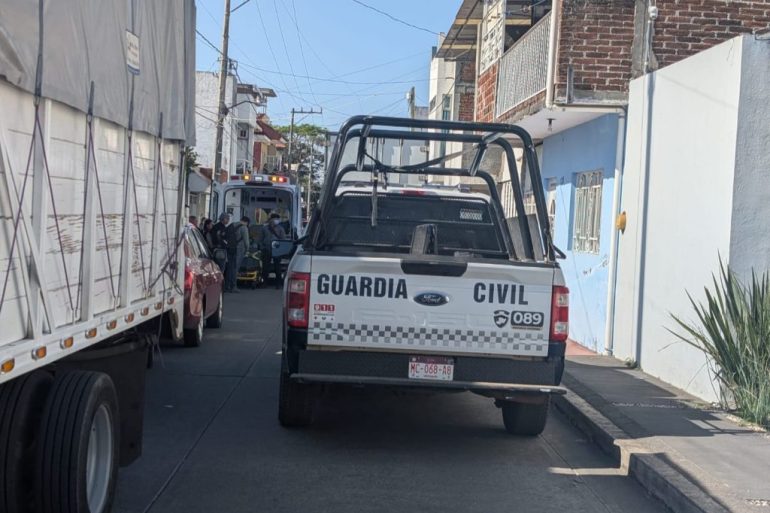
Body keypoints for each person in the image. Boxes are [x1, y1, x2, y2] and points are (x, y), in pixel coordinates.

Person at [223, 216, 249, 292]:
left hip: (229, 248)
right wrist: (247, 249)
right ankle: (234, 286)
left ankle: (227, 285)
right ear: (246, 222)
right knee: (235, 268)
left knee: (229, 267)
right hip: (238, 249)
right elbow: (246, 241)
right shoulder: (244, 227)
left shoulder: (232, 225)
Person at [262, 213, 287, 289]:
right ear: (271, 219)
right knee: (265, 267)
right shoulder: (265, 228)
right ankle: (264, 283)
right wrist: (262, 247)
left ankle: (278, 284)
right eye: (276, 219)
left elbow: (283, 239)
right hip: (267, 249)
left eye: (277, 219)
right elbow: (261, 239)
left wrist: (281, 249)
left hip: (277, 250)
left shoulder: (281, 228)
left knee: (277, 267)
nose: (277, 221)